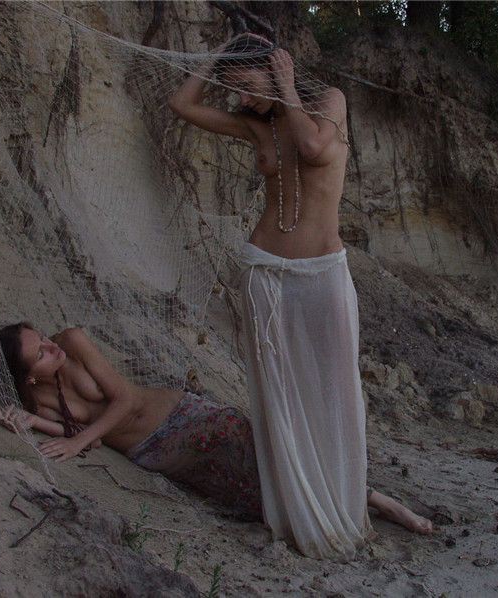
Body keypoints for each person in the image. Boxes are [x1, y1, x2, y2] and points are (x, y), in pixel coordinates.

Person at [168, 34, 432, 561]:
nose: (242, 100)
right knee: (280, 397)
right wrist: (220, 54)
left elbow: (311, 148)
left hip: (323, 273)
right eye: (234, 91)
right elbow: (182, 105)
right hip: (264, 272)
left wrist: (285, 85)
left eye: (247, 86)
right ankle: (296, 514)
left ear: (276, 69)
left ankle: (351, 503)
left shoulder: (330, 102)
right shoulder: (255, 124)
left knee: (336, 394)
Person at [0, 322, 434, 539]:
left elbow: (123, 400)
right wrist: (35, 423)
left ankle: (375, 498)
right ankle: (336, 508)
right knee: (251, 496)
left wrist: (75, 441)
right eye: (40, 353)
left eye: (42, 336)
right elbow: (90, 431)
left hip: (184, 417)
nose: (50, 345)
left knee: (269, 452)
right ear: (28, 377)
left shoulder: (72, 341)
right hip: (157, 454)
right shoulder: (41, 400)